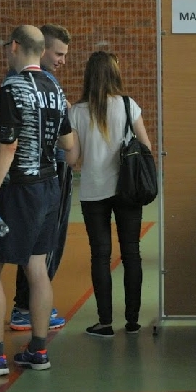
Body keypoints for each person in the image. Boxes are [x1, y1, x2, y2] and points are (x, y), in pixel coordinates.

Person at [0, 25, 76, 377]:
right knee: (37, 267)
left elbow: (8, 145)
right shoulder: (55, 88)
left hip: (19, 189)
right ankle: (38, 350)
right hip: (50, 187)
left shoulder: (12, 87)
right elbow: (69, 144)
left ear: (15, 46)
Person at [68, 51, 153, 340]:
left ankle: (105, 323)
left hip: (93, 191)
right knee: (131, 252)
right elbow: (146, 146)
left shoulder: (77, 111)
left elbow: (73, 158)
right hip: (127, 189)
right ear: (115, 73)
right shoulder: (128, 105)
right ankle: (132, 320)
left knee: (100, 255)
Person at [9, 24, 73, 334]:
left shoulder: (24, 81)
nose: (62, 60)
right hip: (47, 171)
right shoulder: (36, 84)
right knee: (43, 245)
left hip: (35, 173)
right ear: (41, 49)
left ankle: (26, 305)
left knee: (35, 244)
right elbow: (66, 138)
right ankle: (27, 307)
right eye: (58, 54)